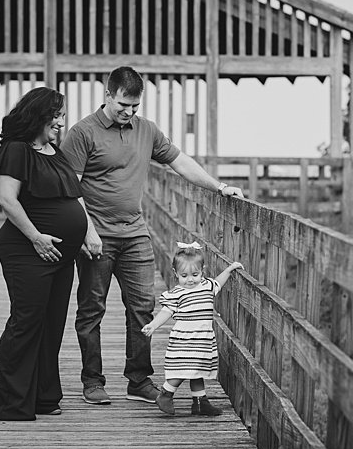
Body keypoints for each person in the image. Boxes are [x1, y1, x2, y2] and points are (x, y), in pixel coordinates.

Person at [61, 66, 243, 406]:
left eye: (134, 107)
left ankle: (138, 379)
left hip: (135, 234)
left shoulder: (147, 131)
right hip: (95, 236)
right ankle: (92, 380)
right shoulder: (82, 132)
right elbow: (70, 188)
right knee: (91, 309)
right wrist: (86, 231)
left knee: (143, 306)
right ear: (108, 95)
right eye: (122, 105)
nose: (128, 113)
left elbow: (181, 162)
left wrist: (219, 187)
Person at [0, 87, 93, 421]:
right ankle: (11, 402)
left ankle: (43, 396)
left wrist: (86, 231)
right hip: (27, 248)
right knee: (26, 321)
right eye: (56, 115)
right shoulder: (16, 150)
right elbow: (7, 198)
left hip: (61, 252)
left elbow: (73, 197)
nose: (61, 121)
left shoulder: (54, 152)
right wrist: (37, 238)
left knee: (52, 322)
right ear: (39, 116)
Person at [141, 242, 241, 416]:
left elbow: (219, 282)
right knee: (183, 368)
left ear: (203, 271)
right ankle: (166, 393)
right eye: (184, 275)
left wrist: (230, 269)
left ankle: (200, 403)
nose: (190, 279)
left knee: (197, 370)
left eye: (195, 274)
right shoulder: (177, 293)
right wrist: (153, 325)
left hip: (202, 340)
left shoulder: (207, 286)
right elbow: (166, 312)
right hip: (184, 340)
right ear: (175, 274)